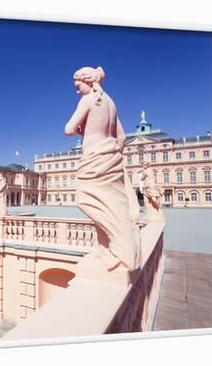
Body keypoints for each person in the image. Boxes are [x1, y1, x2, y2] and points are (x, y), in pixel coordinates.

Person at [64, 66, 140, 271]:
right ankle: (105, 248)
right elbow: (122, 137)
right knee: (110, 202)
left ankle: (117, 246)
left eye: (78, 85)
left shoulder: (88, 100)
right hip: (110, 156)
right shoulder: (111, 102)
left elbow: (68, 129)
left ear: (87, 82)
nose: (76, 90)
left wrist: (83, 132)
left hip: (93, 157)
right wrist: (112, 153)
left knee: (86, 199)